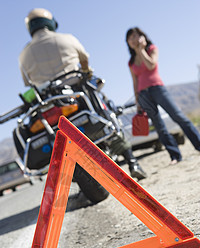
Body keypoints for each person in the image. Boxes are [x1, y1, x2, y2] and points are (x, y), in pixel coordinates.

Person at [19, 8, 147, 180]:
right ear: (49, 22)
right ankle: (132, 162)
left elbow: (27, 83)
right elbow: (84, 59)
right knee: (106, 113)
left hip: (48, 102)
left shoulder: (24, 54)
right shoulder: (66, 38)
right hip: (77, 94)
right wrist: (85, 71)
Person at [126, 27, 200, 164]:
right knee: (159, 126)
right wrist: (137, 101)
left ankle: (198, 144)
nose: (133, 39)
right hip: (143, 95)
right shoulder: (131, 62)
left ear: (142, 36)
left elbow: (150, 65)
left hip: (157, 89)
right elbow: (134, 82)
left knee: (178, 116)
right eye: (130, 38)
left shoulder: (151, 48)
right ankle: (175, 156)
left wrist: (141, 50)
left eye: (135, 36)